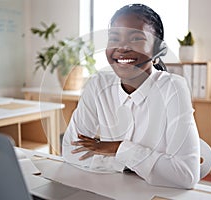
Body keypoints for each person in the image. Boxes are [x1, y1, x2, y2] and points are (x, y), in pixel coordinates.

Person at [62, 3, 200, 189]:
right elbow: (71, 151)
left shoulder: (173, 87)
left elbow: (186, 175)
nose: (122, 47)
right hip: (110, 189)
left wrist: (116, 148)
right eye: (114, 38)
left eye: (136, 38)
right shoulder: (98, 83)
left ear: (157, 51)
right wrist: (137, 164)